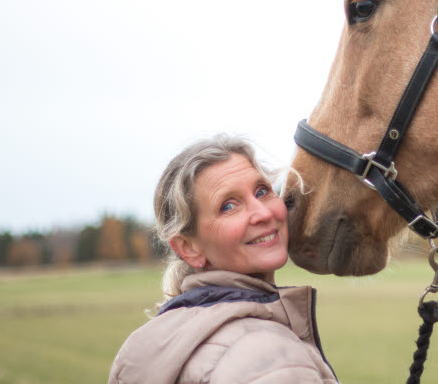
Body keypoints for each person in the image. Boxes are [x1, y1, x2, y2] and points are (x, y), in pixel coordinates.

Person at [108, 135, 338, 384]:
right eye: (228, 206)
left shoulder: (154, 344)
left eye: (262, 191)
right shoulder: (269, 357)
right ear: (188, 247)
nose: (262, 213)